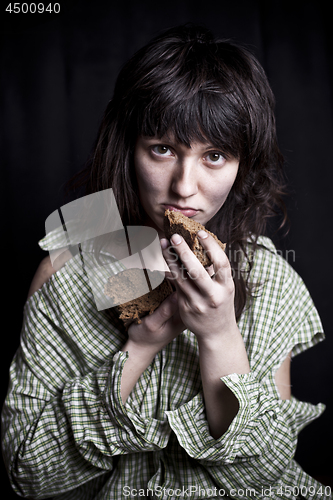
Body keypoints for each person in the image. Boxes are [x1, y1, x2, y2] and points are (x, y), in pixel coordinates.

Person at [2, 24, 330, 500]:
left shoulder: (269, 277)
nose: (184, 187)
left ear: (243, 165)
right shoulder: (69, 266)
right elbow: (30, 475)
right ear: (129, 148)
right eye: (162, 149)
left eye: (215, 156)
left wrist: (219, 334)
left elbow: (267, 481)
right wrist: (140, 345)